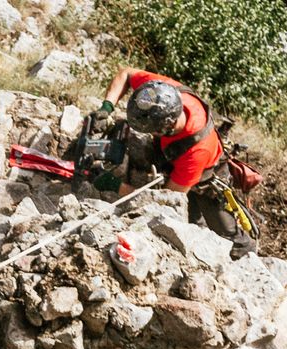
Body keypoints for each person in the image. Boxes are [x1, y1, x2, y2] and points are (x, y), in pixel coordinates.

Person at [100, 68, 255, 256]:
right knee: (192, 223)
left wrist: (116, 186)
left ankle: (248, 258)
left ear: (166, 127)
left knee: (228, 235)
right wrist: (106, 108)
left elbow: (166, 199)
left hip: (205, 180)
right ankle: (197, 236)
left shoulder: (197, 152)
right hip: (176, 161)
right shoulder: (163, 94)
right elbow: (125, 74)